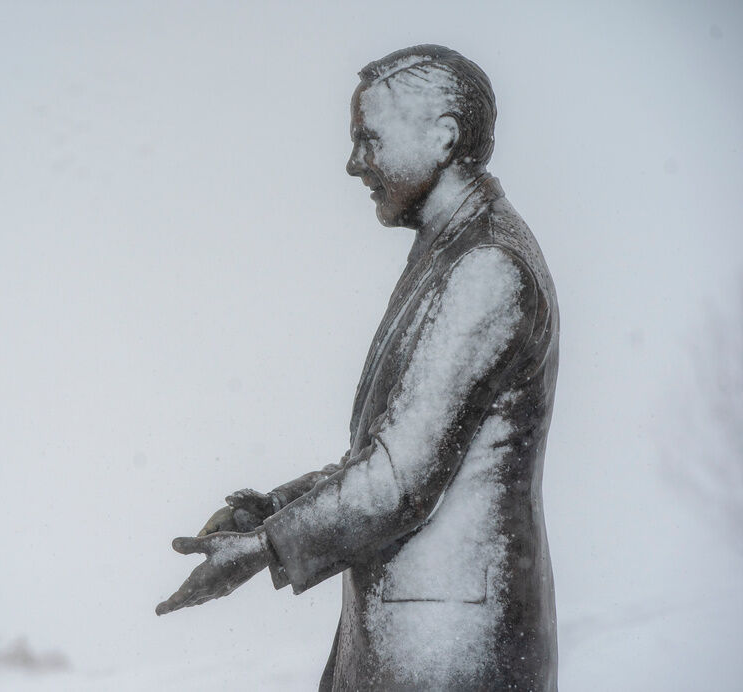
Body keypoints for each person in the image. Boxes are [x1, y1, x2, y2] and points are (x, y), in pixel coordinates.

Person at [156, 44, 559, 691]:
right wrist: (276, 510)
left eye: (370, 140)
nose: (354, 165)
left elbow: (401, 477)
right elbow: (388, 452)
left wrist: (263, 550)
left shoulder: (484, 267)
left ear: (444, 135)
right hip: (417, 644)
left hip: (445, 654)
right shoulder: (451, 255)